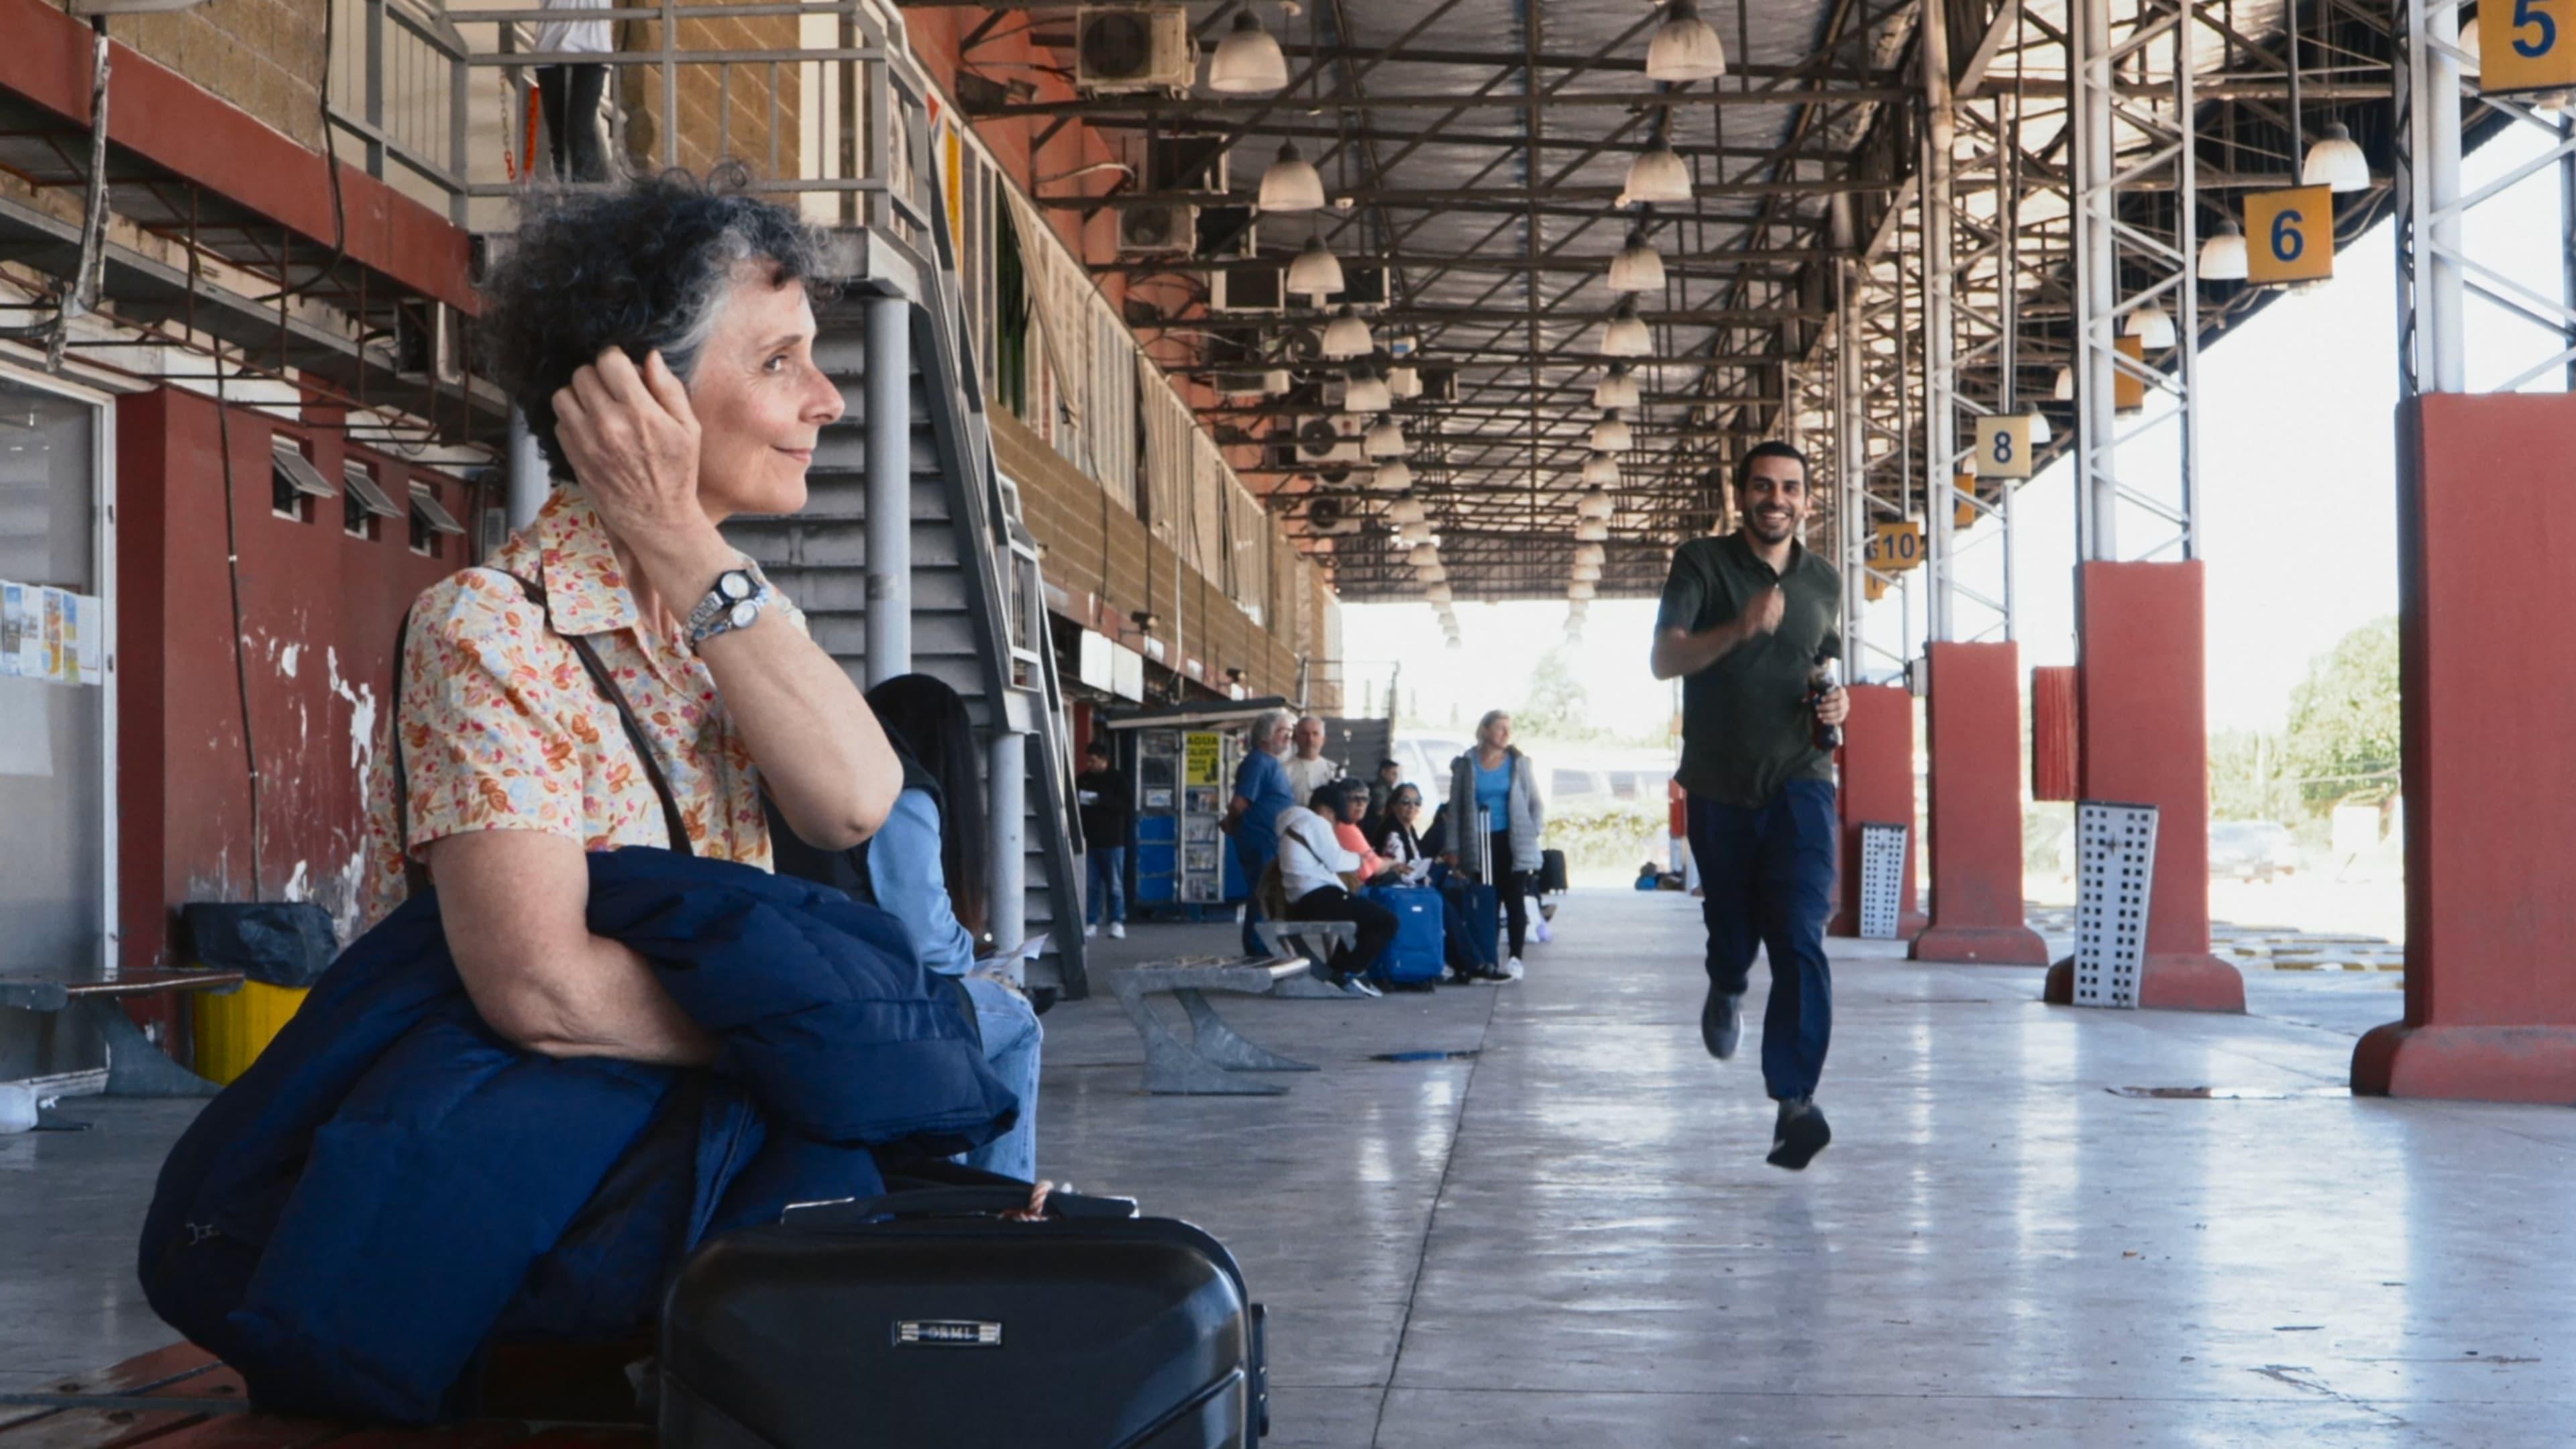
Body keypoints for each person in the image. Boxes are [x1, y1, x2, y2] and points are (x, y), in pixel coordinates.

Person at [360, 167, 904, 1061]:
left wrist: (675, 534)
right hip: (569, 1171)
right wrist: (810, 1034)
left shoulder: (731, 610)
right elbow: (543, 991)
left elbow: (851, 806)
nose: (827, 398)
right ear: (637, 399)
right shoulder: (489, 629)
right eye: (778, 361)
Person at [1650, 439, 1849, 1172]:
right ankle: (1727, 983)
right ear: (1743, 496)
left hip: (1803, 776)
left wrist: (1838, 702)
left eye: (1791, 488)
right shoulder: (1702, 564)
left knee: (1800, 932)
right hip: (1719, 783)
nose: (1778, 499)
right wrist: (1739, 628)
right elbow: (1665, 658)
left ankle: (1794, 1102)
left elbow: (1820, 664)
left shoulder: (1824, 580)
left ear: (1807, 498)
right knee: (1736, 934)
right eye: (1764, 486)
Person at [858, 674, 1044, 1184]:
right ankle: (1003, 1197)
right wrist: (976, 963)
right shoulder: (903, 794)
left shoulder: (819, 783)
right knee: (1020, 1020)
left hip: (837, 986)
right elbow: (931, 943)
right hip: (878, 1007)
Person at [1444, 710, 1544, 981]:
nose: (1505, 734)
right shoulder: (1466, 764)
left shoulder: (1518, 763)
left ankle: (1515, 958)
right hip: (1479, 840)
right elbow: (1455, 809)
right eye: (1500, 728)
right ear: (1486, 730)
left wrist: (1532, 831)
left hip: (1512, 840)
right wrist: (1452, 847)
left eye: (1508, 729)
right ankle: (1486, 957)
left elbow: (1535, 802)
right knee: (1485, 900)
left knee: (1514, 899)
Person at [1275, 782, 1397, 985]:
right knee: (1387, 922)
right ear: (1325, 810)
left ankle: (1337, 968)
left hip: (1304, 901)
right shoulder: (1315, 823)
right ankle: (1348, 974)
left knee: (1363, 919)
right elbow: (1336, 861)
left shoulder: (1293, 824)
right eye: (1336, 819)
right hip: (1320, 897)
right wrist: (1361, 859)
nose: (1334, 826)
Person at [1223, 708, 1297, 955]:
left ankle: (1262, 946)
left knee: (1267, 893)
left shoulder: (1268, 763)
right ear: (1265, 736)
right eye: (1282, 732)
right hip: (1260, 839)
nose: (1288, 738)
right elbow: (1239, 803)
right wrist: (1231, 822)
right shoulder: (1258, 762)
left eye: (1289, 733)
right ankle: (1258, 948)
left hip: (1269, 838)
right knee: (1263, 892)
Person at [535, 0, 614, 183]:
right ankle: (573, 204)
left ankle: (595, 201)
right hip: (550, 51)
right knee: (560, 141)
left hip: (592, 51)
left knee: (579, 130)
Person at [1076, 739, 1131, 940]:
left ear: (1104, 760)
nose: (1089, 765)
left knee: (1114, 884)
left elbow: (1127, 805)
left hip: (1113, 840)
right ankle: (1091, 921)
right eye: (1088, 761)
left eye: (1093, 761)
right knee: (1091, 885)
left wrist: (1101, 800)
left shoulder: (1117, 779)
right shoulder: (1082, 780)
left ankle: (1117, 921)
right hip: (1090, 840)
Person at [1282, 714, 1341, 806]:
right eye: (1305, 734)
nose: (1310, 739)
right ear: (1295, 738)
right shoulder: (1284, 771)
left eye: (1315, 734)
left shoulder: (1333, 770)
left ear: (1323, 740)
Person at [1358, 757, 1403, 839]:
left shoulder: (1387, 790)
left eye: (1396, 774)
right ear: (1383, 773)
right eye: (1393, 773)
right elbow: (1381, 812)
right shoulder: (1379, 790)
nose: (1396, 777)